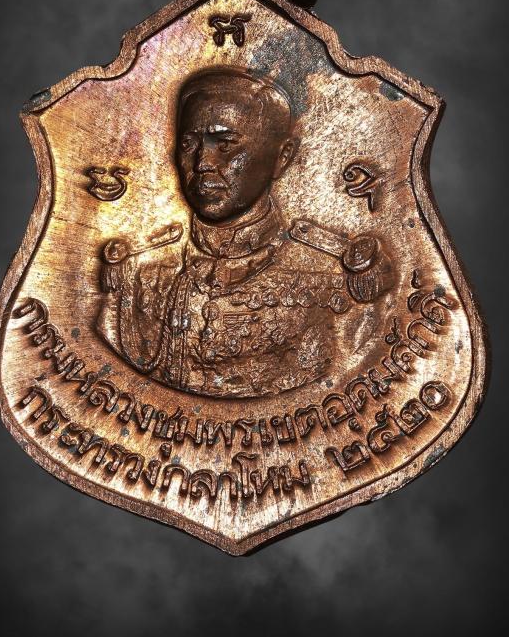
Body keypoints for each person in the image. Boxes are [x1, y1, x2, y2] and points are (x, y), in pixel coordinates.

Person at [96, 66, 392, 398]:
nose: (202, 163)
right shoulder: (139, 268)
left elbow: (360, 380)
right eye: (189, 144)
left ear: (282, 158)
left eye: (225, 144)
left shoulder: (332, 272)